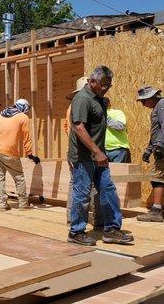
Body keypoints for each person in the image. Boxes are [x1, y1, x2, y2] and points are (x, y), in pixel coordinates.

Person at [67, 65, 134, 246]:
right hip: (84, 157)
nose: (106, 88)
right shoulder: (82, 99)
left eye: (109, 85)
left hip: (99, 157)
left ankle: (111, 229)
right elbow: (79, 128)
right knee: (82, 194)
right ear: (92, 81)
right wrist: (96, 151)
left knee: (108, 189)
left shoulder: (99, 100)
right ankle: (76, 232)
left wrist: (100, 153)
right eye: (103, 85)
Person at [0, 99, 40, 212]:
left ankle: (2, 205)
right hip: (10, 153)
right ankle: (23, 204)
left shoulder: (0, 114)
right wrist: (30, 154)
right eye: (26, 110)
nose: (26, 113)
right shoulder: (23, 117)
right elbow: (26, 137)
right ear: (23, 108)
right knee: (19, 178)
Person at [135, 86, 164, 222]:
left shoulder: (163, 105)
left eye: (144, 101)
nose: (143, 104)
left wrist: (160, 146)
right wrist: (149, 150)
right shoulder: (158, 107)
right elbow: (156, 132)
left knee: (157, 179)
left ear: (151, 97)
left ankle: (156, 211)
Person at [64, 76, 102, 227]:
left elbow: (67, 129)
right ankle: (93, 221)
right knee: (88, 186)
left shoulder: (72, 106)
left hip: (76, 151)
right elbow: (79, 129)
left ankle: (71, 219)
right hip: (83, 153)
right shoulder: (81, 105)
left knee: (75, 184)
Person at [105, 98, 131, 163]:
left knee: (117, 172)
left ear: (109, 104)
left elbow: (120, 126)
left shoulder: (117, 113)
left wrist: (105, 116)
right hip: (101, 151)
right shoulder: (95, 114)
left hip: (118, 150)